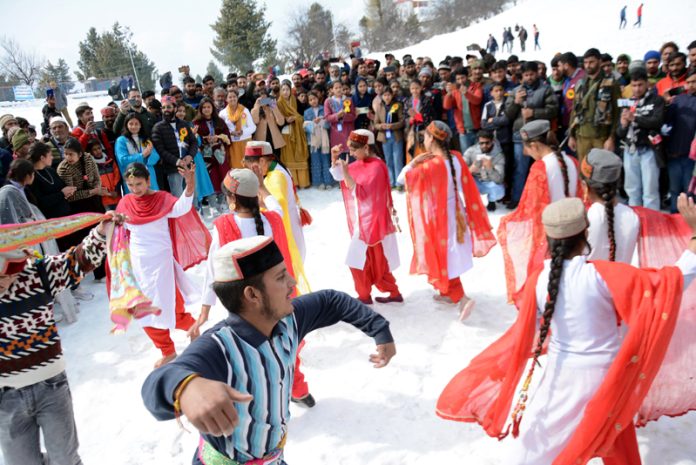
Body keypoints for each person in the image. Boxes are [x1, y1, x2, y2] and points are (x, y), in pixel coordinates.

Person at [437, 195, 696, 464]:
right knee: (614, 435)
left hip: (562, 376)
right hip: (607, 376)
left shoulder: (540, 280)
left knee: (533, 449)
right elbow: (670, 282)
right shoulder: (602, 275)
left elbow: (530, 330)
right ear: (585, 232)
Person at [142, 235, 396, 464]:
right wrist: (186, 387)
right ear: (252, 295)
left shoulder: (289, 320)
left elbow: (331, 301)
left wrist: (378, 329)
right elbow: (155, 385)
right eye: (281, 277)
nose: (292, 282)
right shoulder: (218, 347)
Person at [0, 212, 122, 465]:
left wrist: (101, 231)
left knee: (65, 458)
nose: (6, 282)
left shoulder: (37, 274)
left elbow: (78, 261)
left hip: (50, 386)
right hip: (5, 397)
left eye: (10, 274)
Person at [199, 168, 316, 406]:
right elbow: (276, 206)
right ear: (255, 197)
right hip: (277, 300)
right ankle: (298, 389)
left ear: (231, 199)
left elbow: (213, 271)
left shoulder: (223, 227)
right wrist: (262, 185)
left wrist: (205, 310)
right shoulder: (273, 219)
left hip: (246, 308)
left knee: (252, 357)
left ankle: (264, 402)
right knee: (284, 346)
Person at [397, 121, 496, 320]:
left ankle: (461, 298)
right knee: (449, 254)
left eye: (425, 136)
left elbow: (401, 180)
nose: (423, 139)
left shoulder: (431, 165)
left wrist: (413, 163)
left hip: (439, 217)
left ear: (432, 138)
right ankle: (446, 293)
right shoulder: (456, 158)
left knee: (443, 256)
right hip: (456, 211)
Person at [115, 162, 210, 367]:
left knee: (168, 306)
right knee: (142, 309)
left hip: (161, 263)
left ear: (148, 180)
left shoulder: (161, 199)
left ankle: (193, 329)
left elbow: (182, 207)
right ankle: (167, 350)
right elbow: (121, 227)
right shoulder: (126, 201)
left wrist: (190, 182)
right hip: (138, 264)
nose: (135, 189)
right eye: (130, 185)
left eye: (139, 184)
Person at [497, 120, 580, 301]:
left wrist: (508, 221)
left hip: (552, 233)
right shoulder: (572, 161)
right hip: (575, 232)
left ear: (534, 145)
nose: (526, 153)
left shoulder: (540, 167)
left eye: (527, 148)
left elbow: (531, 208)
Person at [329, 130, 402, 305]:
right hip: (365, 221)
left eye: (354, 150)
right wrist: (334, 159)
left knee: (356, 260)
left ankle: (364, 296)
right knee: (376, 261)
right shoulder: (362, 163)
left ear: (366, 147)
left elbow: (362, 194)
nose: (352, 154)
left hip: (371, 222)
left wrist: (346, 173)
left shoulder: (376, 167)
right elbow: (339, 175)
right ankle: (392, 293)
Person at [242, 141, 309, 293]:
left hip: (287, 231)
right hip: (291, 225)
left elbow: (275, 204)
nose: (252, 172)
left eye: (252, 168)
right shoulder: (277, 169)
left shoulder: (275, 176)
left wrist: (245, 200)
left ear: (262, 161)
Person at [505, 61, 559, 209]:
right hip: (520, 135)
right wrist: (516, 102)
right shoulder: (515, 91)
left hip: (539, 136)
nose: (529, 77)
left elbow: (554, 109)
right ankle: (519, 198)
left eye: (532, 74)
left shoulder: (546, 89)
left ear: (537, 73)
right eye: (526, 75)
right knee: (520, 169)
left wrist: (534, 113)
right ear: (522, 76)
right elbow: (508, 114)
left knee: (542, 168)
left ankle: (542, 198)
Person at [616, 68, 665, 211]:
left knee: (650, 191)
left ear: (647, 84)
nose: (637, 89)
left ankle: (652, 225)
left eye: (640, 85)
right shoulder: (627, 102)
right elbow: (619, 132)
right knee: (632, 190)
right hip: (630, 149)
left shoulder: (656, 100)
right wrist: (624, 125)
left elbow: (657, 122)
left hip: (648, 149)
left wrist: (635, 118)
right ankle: (635, 222)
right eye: (634, 85)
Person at [568, 48, 620, 163]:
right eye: (586, 63)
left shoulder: (611, 84)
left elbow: (617, 113)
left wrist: (611, 138)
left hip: (601, 137)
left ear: (600, 62)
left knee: (601, 172)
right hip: (581, 135)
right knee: (583, 172)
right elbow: (574, 111)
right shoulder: (580, 84)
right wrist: (571, 135)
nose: (588, 65)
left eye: (591, 62)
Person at [152, 96, 198, 197]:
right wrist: (177, 161)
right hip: (173, 168)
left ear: (175, 108)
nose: (166, 110)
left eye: (169, 107)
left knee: (193, 194)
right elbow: (161, 150)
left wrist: (190, 156)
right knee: (178, 197)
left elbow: (194, 142)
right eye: (163, 108)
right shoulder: (158, 128)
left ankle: (196, 212)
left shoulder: (184, 124)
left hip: (189, 165)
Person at [668, 68, 696, 212]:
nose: (691, 85)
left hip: (691, 158)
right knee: (674, 191)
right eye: (689, 82)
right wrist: (666, 103)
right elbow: (666, 121)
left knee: (689, 192)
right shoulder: (678, 100)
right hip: (675, 154)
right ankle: (674, 223)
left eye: (694, 82)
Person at [193, 97, 231, 196]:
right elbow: (194, 138)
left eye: (209, 107)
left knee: (223, 174)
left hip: (219, 153)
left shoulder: (219, 121)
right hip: (206, 155)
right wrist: (205, 139)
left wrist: (218, 138)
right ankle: (212, 201)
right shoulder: (196, 123)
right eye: (204, 107)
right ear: (200, 109)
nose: (206, 109)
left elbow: (227, 136)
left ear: (213, 108)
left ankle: (224, 199)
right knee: (211, 175)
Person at [115, 113, 161, 193]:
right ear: (126, 125)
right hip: (132, 176)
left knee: (153, 199)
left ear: (140, 125)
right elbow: (123, 159)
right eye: (131, 124)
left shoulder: (145, 138)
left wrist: (148, 156)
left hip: (148, 174)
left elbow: (156, 156)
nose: (134, 126)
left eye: (136, 124)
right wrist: (142, 155)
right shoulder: (121, 140)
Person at [277, 82, 310, 188]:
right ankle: (293, 184)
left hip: (298, 132)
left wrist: (296, 119)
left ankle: (303, 182)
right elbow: (277, 120)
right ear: (280, 91)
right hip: (286, 133)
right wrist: (287, 120)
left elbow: (301, 115)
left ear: (290, 90)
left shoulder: (295, 101)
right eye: (283, 90)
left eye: (287, 89)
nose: (286, 92)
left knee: (299, 156)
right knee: (289, 158)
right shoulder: (278, 103)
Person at [462, 130, 506, 211]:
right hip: (475, 181)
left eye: (487, 143)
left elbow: (499, 180)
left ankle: (491, 200)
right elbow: (459, 171)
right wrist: (470, 170)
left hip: (489, 182)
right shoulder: (471, 151)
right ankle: (472, 202)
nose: (484, 145)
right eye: (481, 143)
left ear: (492, 141)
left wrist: (490, 168)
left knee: (500, 191)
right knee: (461, 183)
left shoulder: (499, 156)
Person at [444, 68, 483, 154]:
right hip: (464, 131)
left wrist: (466, 93)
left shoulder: (476, 86)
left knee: (479, 157)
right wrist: (448, 94)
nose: (460, 81)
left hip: (477, 129)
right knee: (466, 158)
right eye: (458, 79)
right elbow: (447, 106)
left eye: (462, 78)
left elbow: (477, 100)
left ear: (467, 76)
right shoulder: (455, 90)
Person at [373, 86, 406, 188]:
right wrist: (381, 126)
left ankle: (399, 182)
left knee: (398, 159)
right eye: (385, 95)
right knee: (388, 159)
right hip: (384, 136)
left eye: (389, 95)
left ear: (392, 95)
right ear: (382, 96)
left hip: (396, 135)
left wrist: (392, 126)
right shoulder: (379, 107)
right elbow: (375, 124)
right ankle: (391, 182)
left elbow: (402, 122)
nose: (387, 97)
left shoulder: (398, 106)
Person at [303, 91, 333, 189]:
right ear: (308, 101)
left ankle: (328, 181)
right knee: (315, 161)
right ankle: (318, 182)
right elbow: (305, 128)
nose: (313, 101)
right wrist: (313, 123)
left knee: (325, 160)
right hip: (313, 140)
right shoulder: (306, 112)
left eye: (314, 98)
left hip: (324, 139)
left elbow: (329, 124)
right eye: (310, 100)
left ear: (318, 98)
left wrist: (322, 122)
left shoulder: (323, 109)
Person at [220, 89, 256, 169]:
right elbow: (220, 130)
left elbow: (253, 127)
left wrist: (242, 132)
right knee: (235, 169)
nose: (232, 99)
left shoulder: (244, 110)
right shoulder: (222, 113)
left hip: (245, 143)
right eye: (230, 97)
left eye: (234, 97)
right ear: (226, 99)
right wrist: (231, 133)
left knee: (248, 168)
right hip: (232, 145)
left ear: (237, 98)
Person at [85, 139, 120, 210]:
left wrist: (116, 190)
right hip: (104, 199)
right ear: (91, 152)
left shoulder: (110, 161)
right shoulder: (91, 166)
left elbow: (117, 176)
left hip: (116, 195)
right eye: (94, 150)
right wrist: (107, 192)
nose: (98, 151)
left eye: (99, 148)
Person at [404, 79, 434, 162]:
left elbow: (429, 117)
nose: (415, 91)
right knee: (411, 155)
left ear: (421, 88)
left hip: (423, 131)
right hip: (411, 132)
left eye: (417, 88)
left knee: (424, 154)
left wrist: (416, 116)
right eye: (412, 88)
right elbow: (404, 117)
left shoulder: (426, 100)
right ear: (410, 89)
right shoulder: (407, 102)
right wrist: (410, 120)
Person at [251, 89, 286, 157]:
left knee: (275, 160)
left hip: (274, 140)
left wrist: (274, 107)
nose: (264, 100)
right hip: (261, 141)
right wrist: (257, 106)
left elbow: (281, 122)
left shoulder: (272, 107)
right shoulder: (254, 109)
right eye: (261, 99)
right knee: (263, 161)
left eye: (265, 98)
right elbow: (255, 121)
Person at [324, 80, 356, 152]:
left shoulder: (348, 100)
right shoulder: (328, 101)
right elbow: (327, 117)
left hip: (348, 130)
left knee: (350, 152)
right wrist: (337, 115)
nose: (338, 89)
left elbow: (353, 116)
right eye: (336, 88)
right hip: (336, 132)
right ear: (331, 90)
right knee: (338, 153)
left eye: (340, 87)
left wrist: (344, 116)